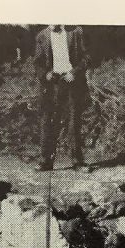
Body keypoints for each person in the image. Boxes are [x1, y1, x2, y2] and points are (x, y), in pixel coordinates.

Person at [34, 24, 90, 172]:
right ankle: (45, 161)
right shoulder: (41, 36)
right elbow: (38, 63)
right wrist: (45, 74)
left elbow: (86, 57)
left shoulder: (76, 32)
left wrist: (75, 73)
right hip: (51, 85)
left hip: (71, 81)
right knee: (47, 122)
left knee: (73, 121)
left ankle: (77, 162)